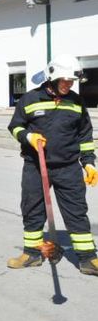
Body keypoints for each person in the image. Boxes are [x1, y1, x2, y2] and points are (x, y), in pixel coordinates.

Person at [7, 54, 98, 275]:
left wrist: (89, 164)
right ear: (52, 78)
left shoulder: (76, 102)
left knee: (76, 211)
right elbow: (15, 127)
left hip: (68, 167)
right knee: (32, 208)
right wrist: (28, 137)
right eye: (65, 81)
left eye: (72, 81)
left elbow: (85, 136)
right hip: (36, 166)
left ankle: (88, 258)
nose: (69, 85)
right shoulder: (30, 99)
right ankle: (32, 253)